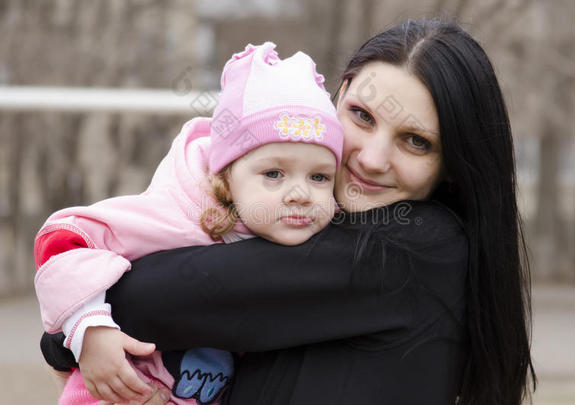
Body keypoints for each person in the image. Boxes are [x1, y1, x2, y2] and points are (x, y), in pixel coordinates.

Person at [41, 18, 537, 404]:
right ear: (335, 100)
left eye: (415, 141)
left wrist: (76, 327)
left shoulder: (421, 246)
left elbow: (143, 299)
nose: (370, 157)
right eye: (361, 116)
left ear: (452, 165)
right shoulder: (300, 223)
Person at [34, 42, 343, 405]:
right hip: (118, 391)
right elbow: (63, 241)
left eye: (320, 177)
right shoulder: (175, 212)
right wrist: (90, 328)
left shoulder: (326, 250)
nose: (300, 193)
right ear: (226, 177)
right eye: (274, 173)